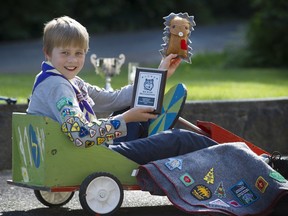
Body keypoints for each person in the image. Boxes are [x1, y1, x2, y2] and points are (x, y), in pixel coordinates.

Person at [27, 16, 218, 165]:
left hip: (78, 150)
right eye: (65, 53)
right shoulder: (59, 86)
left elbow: (113, 99)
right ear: (47, 53)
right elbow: (82, 135)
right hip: (87, 155)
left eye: (78, 53)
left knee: (131, 109)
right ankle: (227, 153)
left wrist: (161, 73)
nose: (72, 60)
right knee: (178, 139)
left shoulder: (59, 80)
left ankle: (152, 139)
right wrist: (126, 118)